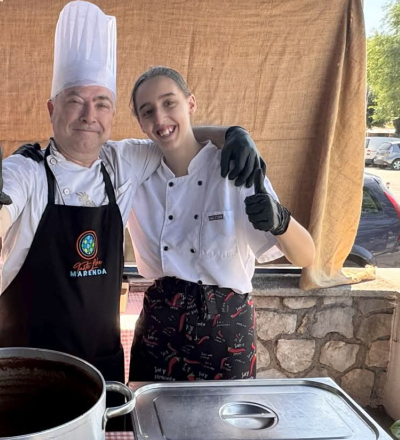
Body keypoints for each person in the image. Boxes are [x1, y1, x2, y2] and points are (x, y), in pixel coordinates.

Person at [0, 2, 265, 383]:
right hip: (27, 369)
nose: (90, 114)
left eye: (101, 103)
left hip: (99, 368)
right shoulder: (27, 170)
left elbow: (175, 132)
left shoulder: (123, 161)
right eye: (75, 101)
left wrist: (233, 134)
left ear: (113, 113)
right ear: (52, 108)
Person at [125, 67, 315, 382]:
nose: (159, 118)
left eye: (169, 103)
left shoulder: (233, 168)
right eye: (148, 111)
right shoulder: (136, 171)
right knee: (151, 425)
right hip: (160, 327)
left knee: (225, 429)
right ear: (141, 123)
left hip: (227, 332)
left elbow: (306, 257)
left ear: (191, 104)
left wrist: (281, 220)